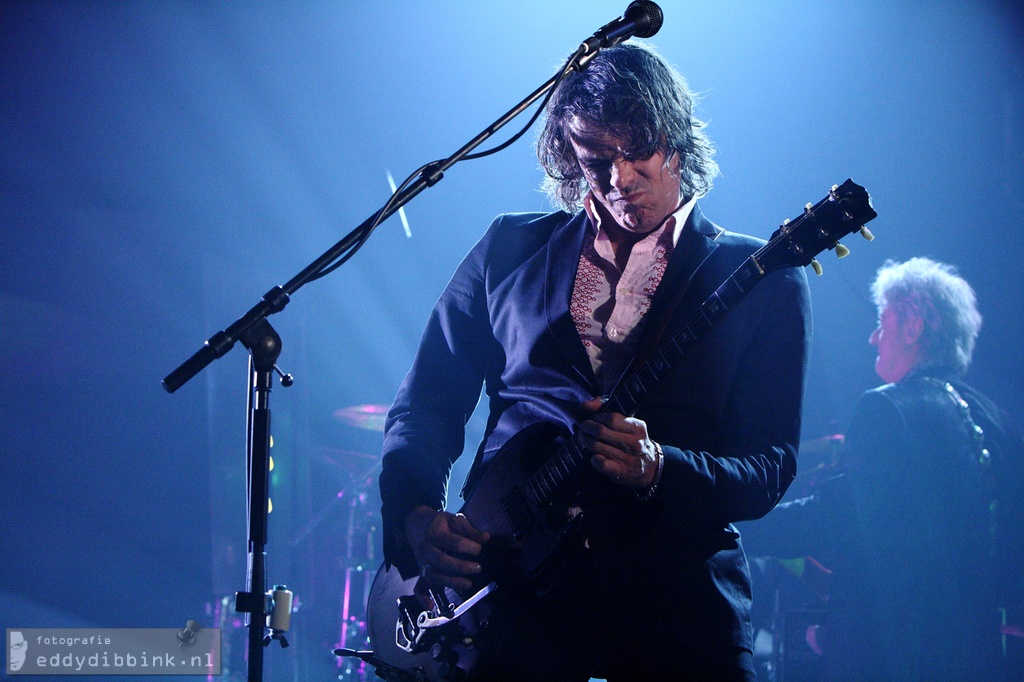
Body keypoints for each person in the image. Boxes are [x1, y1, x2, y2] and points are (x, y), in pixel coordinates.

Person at [377, 42, 811, 681]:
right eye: (596, 159)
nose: (619, 178)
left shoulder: (758, 279)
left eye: (637, 151)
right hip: (509, 598)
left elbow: (770, 466)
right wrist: (414, 516)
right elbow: (425, 404)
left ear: (677, 143)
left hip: (673, 602)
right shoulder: (508, 249)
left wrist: (662, 469)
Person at [743, 257, 1024, 681]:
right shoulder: (997, 419)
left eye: (883, 321)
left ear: (913, 328)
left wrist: (737, 525)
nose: (874, 337)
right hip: (979, 655)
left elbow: (834, 515)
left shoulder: (888, 407)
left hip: (895, 653)